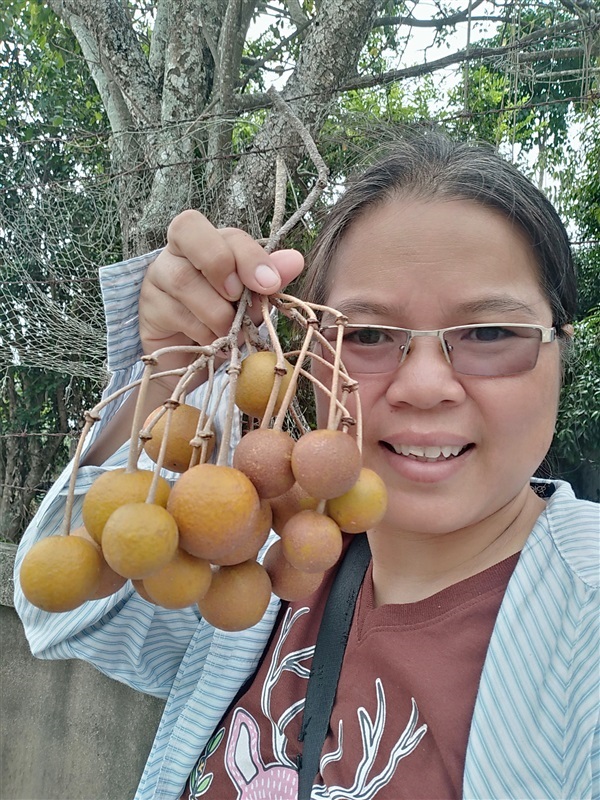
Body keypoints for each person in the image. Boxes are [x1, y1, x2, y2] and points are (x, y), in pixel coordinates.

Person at [14, 131, 599, 800]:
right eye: (369, 335)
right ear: (309, 356)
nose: (425, 386)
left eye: (492, 334)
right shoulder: (263, 555)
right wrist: (176, 371)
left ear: (562, 352)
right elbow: (60, 610)